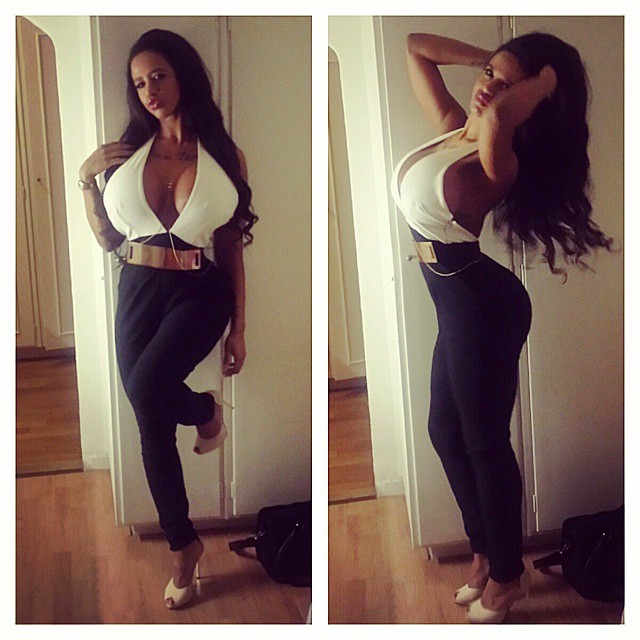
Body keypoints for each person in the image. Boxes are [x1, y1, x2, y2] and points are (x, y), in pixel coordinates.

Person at [391, 32, 613, 623]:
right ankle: (486, 551)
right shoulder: (453, 129)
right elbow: (415, 47)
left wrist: (544, 83)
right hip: (455, 301)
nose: (489, 88)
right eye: (489, 74)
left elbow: (497, 118)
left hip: (483, 307)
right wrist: (488, 63)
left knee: (484, 441)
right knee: (444, 431)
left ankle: (509, 577)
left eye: (507, 85)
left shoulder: (496, 156)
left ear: (529, 101)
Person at [78, 29, 257, 609]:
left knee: (145, 388)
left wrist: (240, 328)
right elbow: (108, 239)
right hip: (136, 287)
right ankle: (185, 542)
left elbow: (230, 247)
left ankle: (205, 412)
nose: (149, 90)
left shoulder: (224, 156)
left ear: (183, 76)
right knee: (149, 417)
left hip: (200, 292)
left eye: (158, 75)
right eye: (138, 83)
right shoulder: (125, 155)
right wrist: (86, 180)